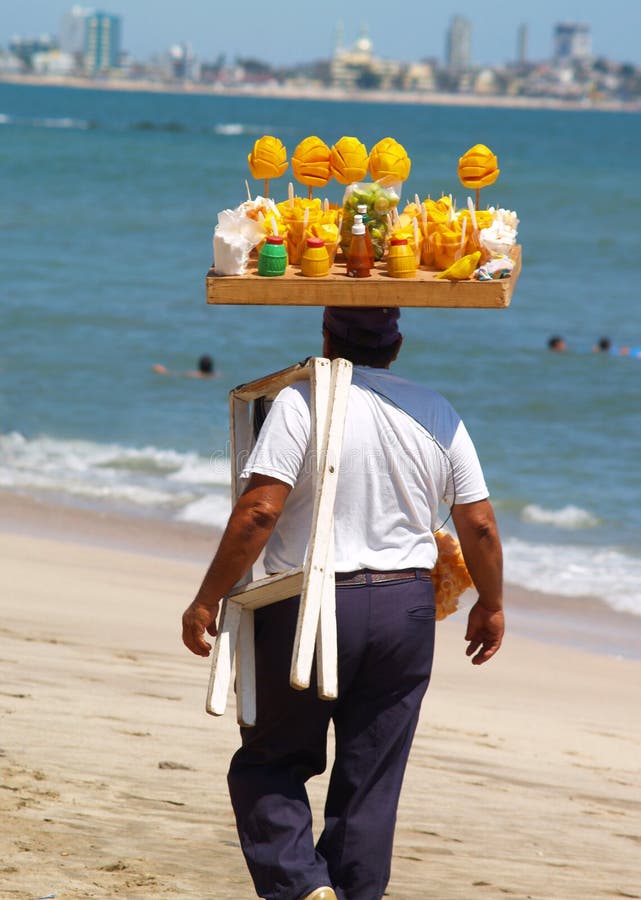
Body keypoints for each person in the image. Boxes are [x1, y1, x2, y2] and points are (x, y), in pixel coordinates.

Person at [181, 307, 504, 900]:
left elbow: (260, 510)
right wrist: (491, 602)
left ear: (327, 338)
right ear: (397, 345)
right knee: (370, 780)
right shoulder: (436, 409)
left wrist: (208, 597)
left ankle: (301, 886)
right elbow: (478, 525)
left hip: (308, 604)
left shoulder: (300, 402)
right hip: (406, 608)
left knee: (270, 761)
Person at [152, 354, 219, 377]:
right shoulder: (217, 375)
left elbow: (175, 374)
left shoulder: (195, 375)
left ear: (199, 365)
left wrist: (163, 371)